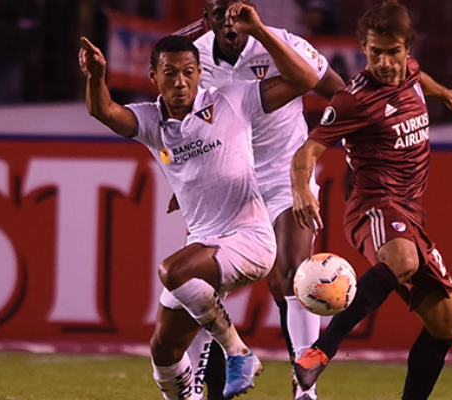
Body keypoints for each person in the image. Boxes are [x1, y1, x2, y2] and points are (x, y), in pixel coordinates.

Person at [78, 3, 320, 399]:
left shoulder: (232, 99)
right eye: (169, 74)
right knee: (163, 350)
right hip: (206, 243)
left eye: (188, 73)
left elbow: (305, 78)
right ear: (153, 76)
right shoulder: (152, 121)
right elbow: (104, 110)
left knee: (172, 271)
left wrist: (258, 31)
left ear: (200, 74)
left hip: (250, 239)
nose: (179, 83)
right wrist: (97, 77)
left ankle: (239, 351)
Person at [290, 1, 452, 399]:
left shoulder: (408, 70)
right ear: (363, 47)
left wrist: (446, 93)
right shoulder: (353, 100)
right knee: (403, 260)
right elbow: (307, 152)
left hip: (410, 212)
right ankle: (321, 351)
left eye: (394, 52)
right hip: (372, 204)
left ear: (408, 48)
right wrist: (302, 189)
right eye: (376, 52)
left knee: (448, 323)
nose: (386, 63)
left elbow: (417, 77)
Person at [171, 2, 346, 399]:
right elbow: (184, 118)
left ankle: (305, 390)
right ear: (207, 16)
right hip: (228, 179)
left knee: (292, 273)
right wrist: (186, 176)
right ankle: (198, 387)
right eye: (219, 11)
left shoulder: (282, 44)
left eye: (237, 9)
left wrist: (316, 149)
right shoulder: (193, 57)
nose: (230, 20)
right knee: (201, 283)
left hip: (285, 173)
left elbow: (338, 92)